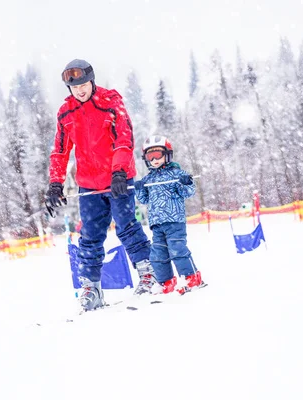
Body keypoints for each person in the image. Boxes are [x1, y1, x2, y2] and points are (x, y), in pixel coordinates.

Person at [45, 59, 157, 312]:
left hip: (118, 179)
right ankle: (91, 288)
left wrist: (118, 171)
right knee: (90, 236)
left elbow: (124, 140)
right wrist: (55, 183)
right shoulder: (66, 113)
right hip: (89, 184)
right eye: (75, 87)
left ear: (92, 81)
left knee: (127, 226)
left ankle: (149, 274)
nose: (80, 90)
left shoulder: (110, 103)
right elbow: (60, 152)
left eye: (84, 84)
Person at [134, 135, 205, 294]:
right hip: (157, 224)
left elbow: (188, 192)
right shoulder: (148, 179)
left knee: (177, 250)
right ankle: (166, 281)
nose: (154, 160)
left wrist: (186, 182)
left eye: (157, 155)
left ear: (167, 154)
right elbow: (144, 198)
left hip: (174, 221)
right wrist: (139, 188)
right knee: (157, 255)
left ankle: (191, 277)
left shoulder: (176, 174)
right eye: (150, 156)